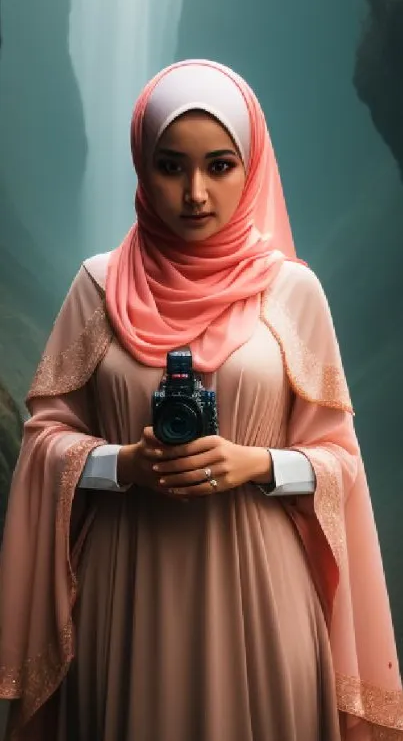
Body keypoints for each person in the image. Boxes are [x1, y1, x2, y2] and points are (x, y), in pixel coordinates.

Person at [0, 59, 401, 741]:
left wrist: (257, 464)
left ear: (252, 169)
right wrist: (120, 463)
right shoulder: (96, 288)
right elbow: (44, 439)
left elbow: (338, 461)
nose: (193, 193)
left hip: (262, 590)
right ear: (140, 164)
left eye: (219, 166)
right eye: (169, 165)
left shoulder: (291, 291)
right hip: (128, 593)